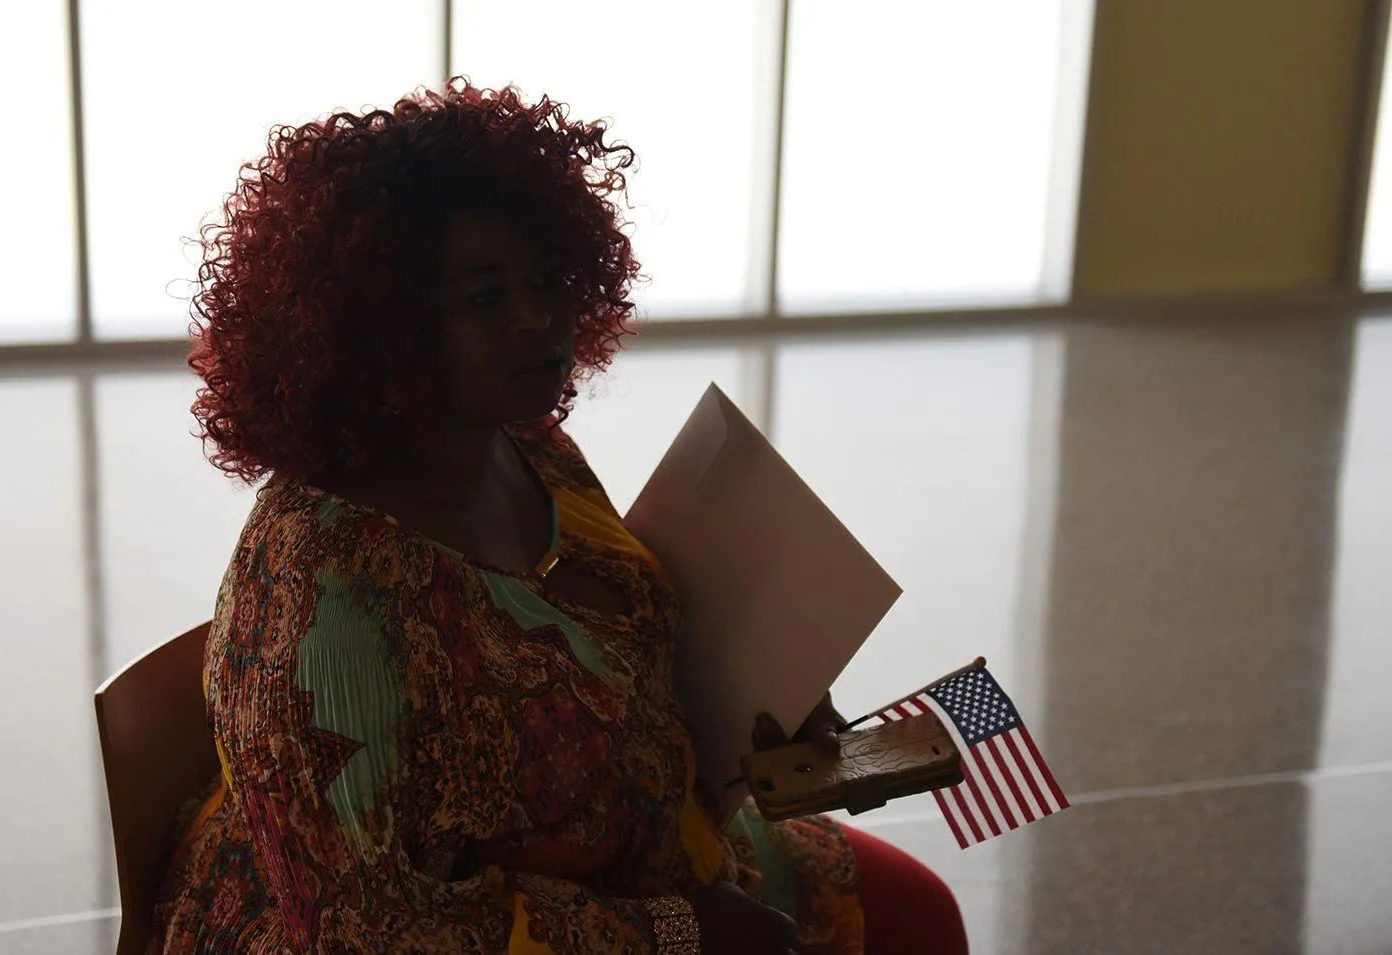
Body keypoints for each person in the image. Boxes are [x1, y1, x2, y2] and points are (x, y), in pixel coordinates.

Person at [150, 76, 966, 955]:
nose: (540, 319)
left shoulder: (527, 446)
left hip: (646, 844)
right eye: (484, 298)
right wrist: (678, 931)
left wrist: (768, 691)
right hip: (468, 929)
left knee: (920, 910)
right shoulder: (324, 600)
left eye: (548, 279)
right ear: (383, 329)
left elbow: (613, 636)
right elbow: (371, 928)